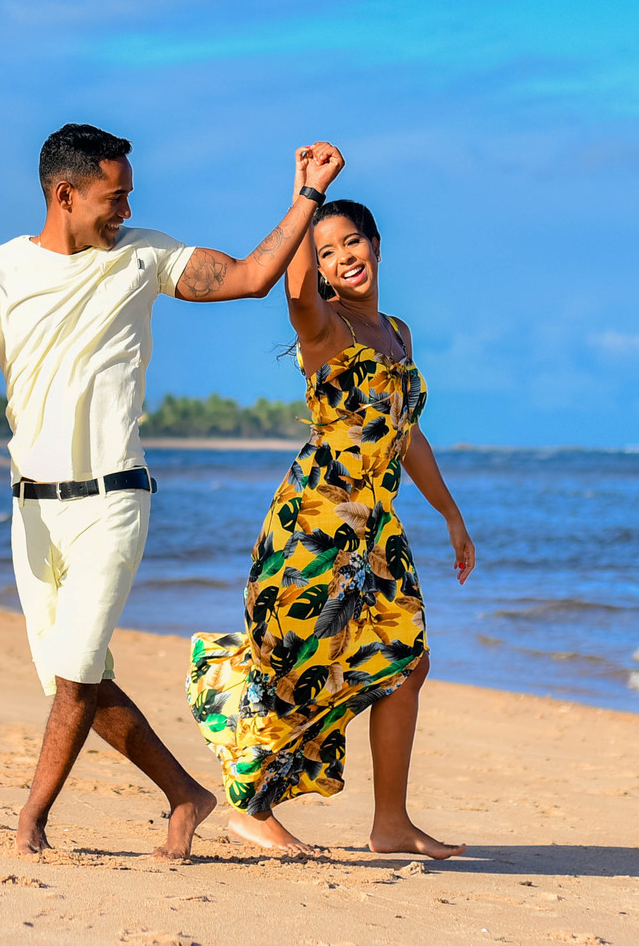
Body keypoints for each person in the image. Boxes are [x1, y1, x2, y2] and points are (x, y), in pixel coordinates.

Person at [0, 124, 344, 860]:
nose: (126, 209)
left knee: (73, 675)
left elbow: (252, 276)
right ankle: (186, 796)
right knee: (85, 679)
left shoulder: (144, 256)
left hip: (114, 500)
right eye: (115, 196)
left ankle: (31, 817)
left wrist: (307, 196)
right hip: (32, 511)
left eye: (129, 195)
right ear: (64, 194)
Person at [187, 144, 475, 858]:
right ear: (315, 266)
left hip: (378, 532)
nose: (345, 255)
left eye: (353, 241)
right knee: (295, 667)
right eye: (327, 250)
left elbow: (405, 435)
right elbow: (290, 295)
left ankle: (390, 823)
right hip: (315, 526)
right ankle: (250, 808)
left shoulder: (398, 333)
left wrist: (450, 513)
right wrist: (306, 193)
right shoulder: (326, 328)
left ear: (376, 246)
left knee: (407, 663)